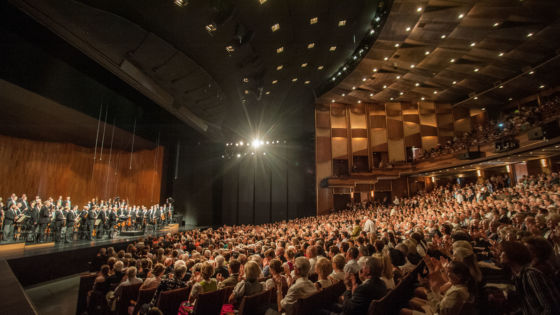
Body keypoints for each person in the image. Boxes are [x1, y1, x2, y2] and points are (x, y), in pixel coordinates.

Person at [500, 241, 560, 315]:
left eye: (503, 251)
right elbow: (529, 307)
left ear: (512, 253)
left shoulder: (530, 274)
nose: (500, 254)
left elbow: (550, 308)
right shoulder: (518, 276)